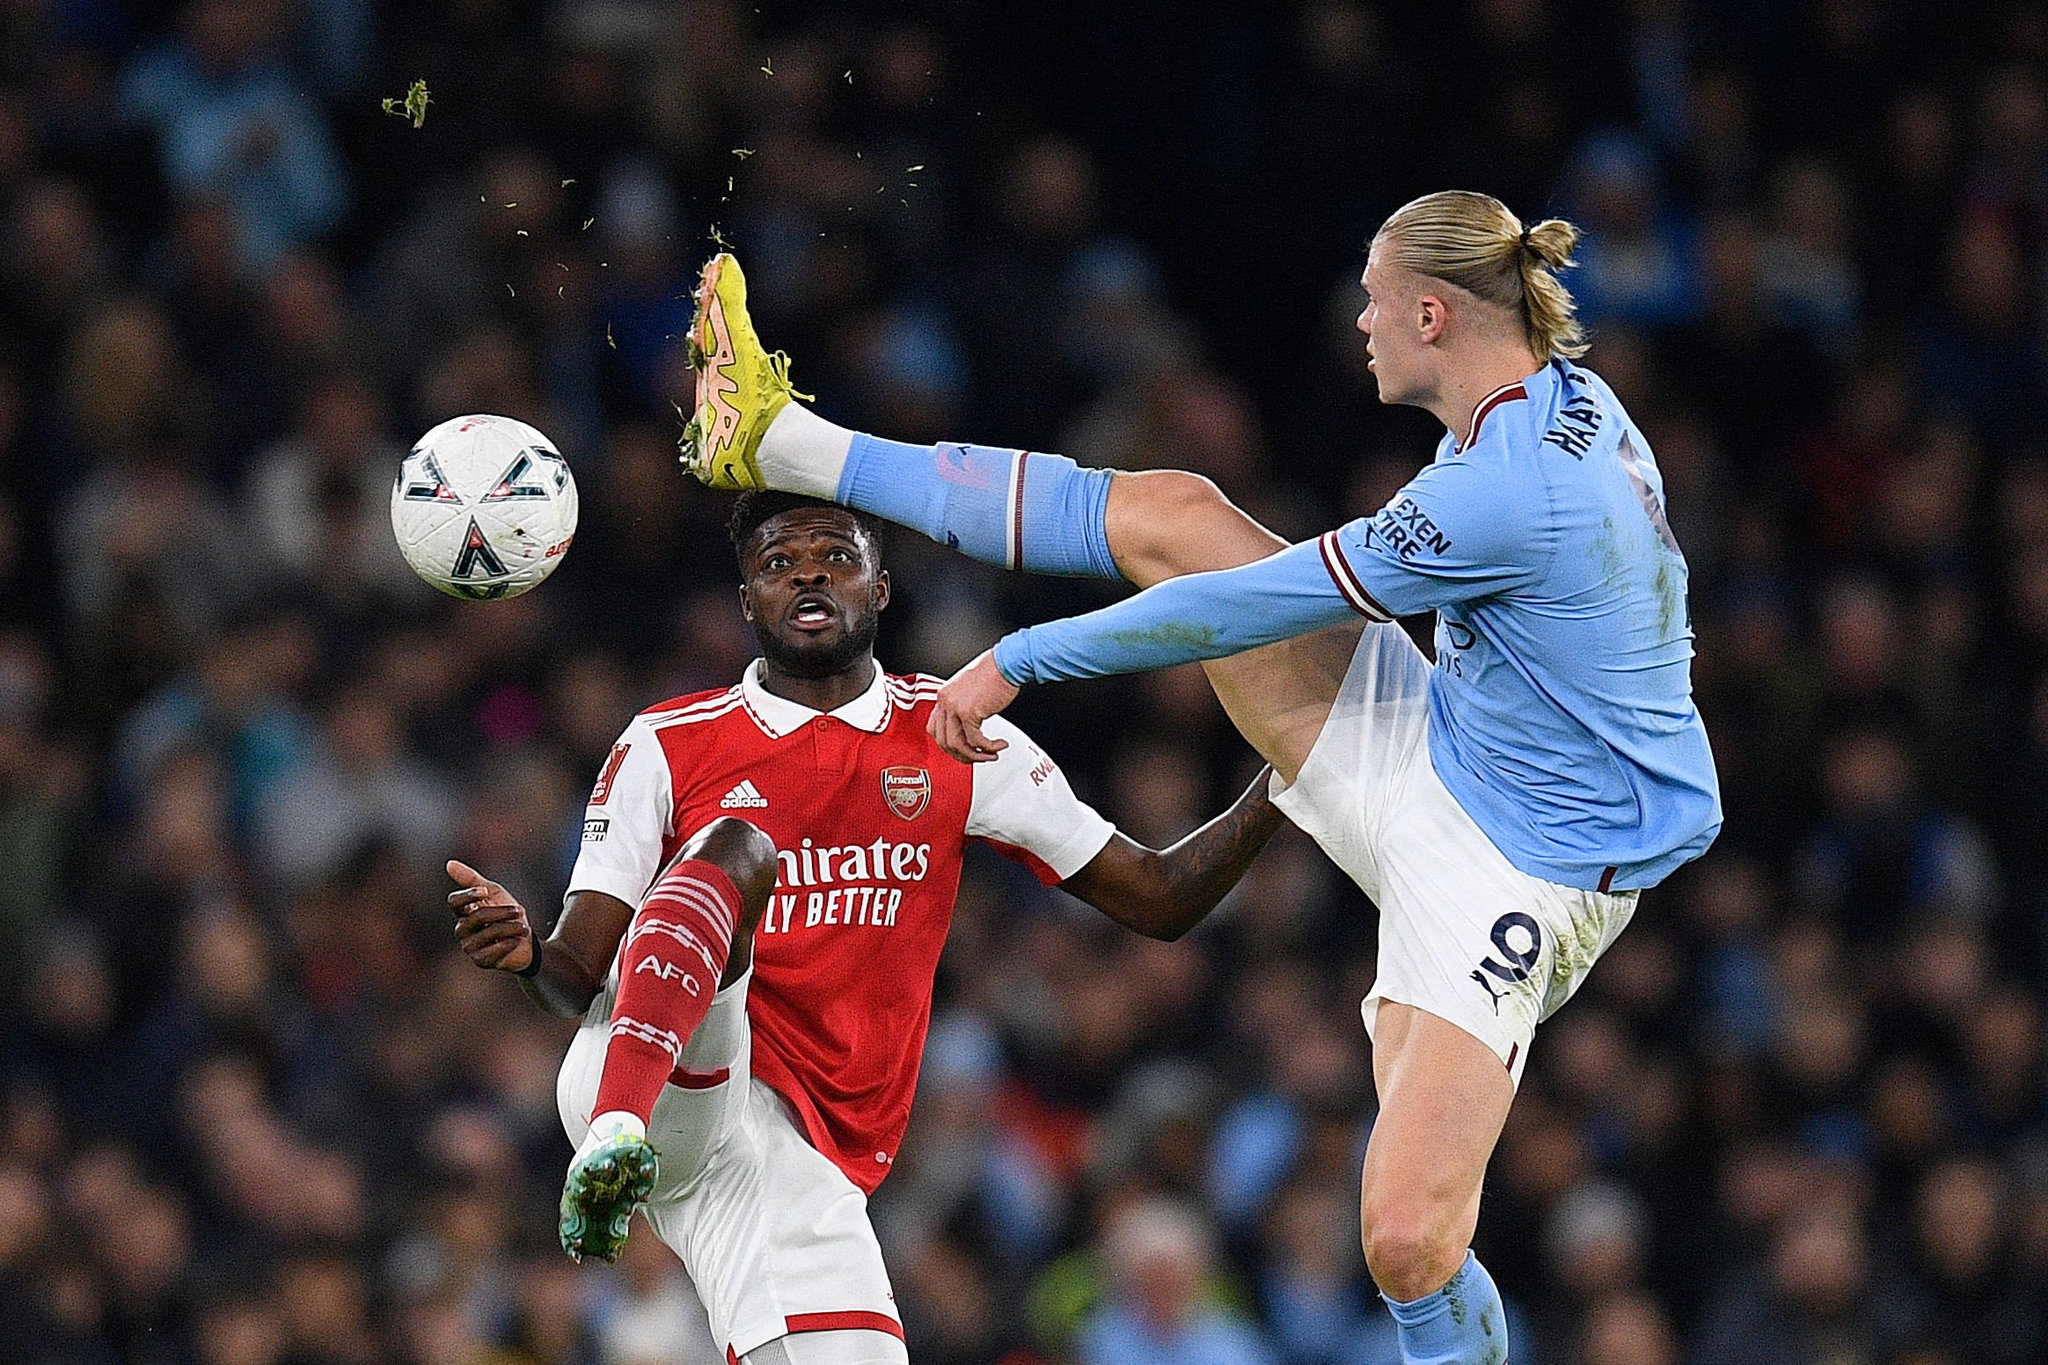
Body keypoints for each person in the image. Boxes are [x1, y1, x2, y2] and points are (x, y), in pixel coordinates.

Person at [678, 189, 1722, 1365]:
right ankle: (778, 442)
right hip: (1452, 744)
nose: (1360, 328)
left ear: (1431, 314)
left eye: (1372, 306)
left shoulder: (1503, 490)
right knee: (1174, 512)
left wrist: (1019, 658)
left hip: (1523, 871)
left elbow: (1244, 610)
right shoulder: (1555, 405)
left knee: (1406, 1240)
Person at [447, 491, 1287, 1365]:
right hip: (653, 1073)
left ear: (880, 588)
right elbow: (573, 978)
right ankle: (617, 1140)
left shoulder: (958, 736)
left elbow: (1157, 896)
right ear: (748, 603)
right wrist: (529, 955)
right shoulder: (666, 743)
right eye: (777, 562)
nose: (808, 572)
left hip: (802, 1151)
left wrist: (1290, 775)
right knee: (736, 847)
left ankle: (626, 1159)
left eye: (835, 556)